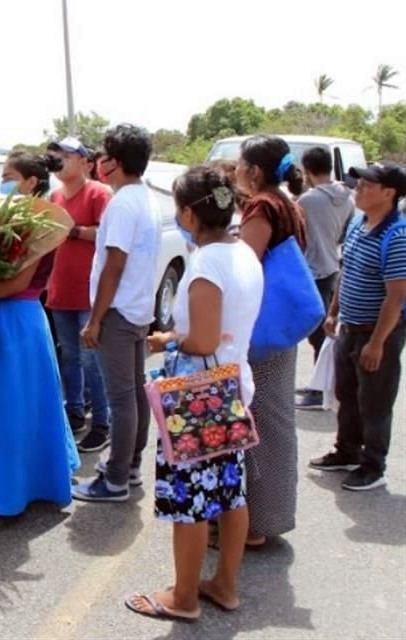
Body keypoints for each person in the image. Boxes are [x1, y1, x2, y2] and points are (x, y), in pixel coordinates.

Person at [127, 166, 263, 622]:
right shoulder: (242, 250)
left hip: (198, 395)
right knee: (230, 493)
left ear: (188, 212)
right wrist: (178, 336)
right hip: (231, 384)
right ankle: (224, 584)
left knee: (190, 500)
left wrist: (170, 340)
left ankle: (183, 598)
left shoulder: (205, 263)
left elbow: (202, 341)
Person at [0, 151, 80, 518]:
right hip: (20, 320)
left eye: (8, 175)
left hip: (13, 319)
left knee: (3, 407)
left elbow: (17, 281)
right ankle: (34, 486)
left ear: (30, 182)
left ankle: (2, 497)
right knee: (26, 405)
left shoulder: (38, 223)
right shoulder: (21, 220)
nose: (2, 181)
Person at [75, 124, 161, 502]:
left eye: (103, 155)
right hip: (137, 309)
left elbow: (115, 264)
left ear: (116, 162)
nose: (98, 162)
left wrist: (95, 319)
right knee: (134, 393)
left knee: (121, 398)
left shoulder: (123, 204)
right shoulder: (143, 198)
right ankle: (129, 466)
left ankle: (114, 480)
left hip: (119, 313)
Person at [310, 162, 406, 491]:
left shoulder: (397, 237)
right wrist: (334, 311)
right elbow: (345, 271)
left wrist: (377, 342)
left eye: (367, 185)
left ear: (389, 193)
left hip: (377, 332)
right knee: (346, 393)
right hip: (349, 326)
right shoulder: (357, 223)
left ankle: (373, 465)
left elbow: (394, 297)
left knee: (375, 401)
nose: (358, 189)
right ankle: (346, 450)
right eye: (359, 183)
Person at [234, 134, 307, 546]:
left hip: (262, 329)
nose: (238, 170)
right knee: (274, 420)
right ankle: (271, 516)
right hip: (281, 328)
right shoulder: (287, 204)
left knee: (260, 423)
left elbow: (248, 264)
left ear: (255, 170)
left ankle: (258, 525)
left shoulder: (263, 206)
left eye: (242, 163)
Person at [44, 136, 112, 447]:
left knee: (91, 360)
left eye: (65, 155)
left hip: (89, 294)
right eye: (54, 155)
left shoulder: (98, 193)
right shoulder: (53, 196)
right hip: (60, 292)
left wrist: (71, 230)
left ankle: (101, 421)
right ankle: (73, 413)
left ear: (85, 161)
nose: (58, 160)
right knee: (69, 357)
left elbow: (107, 234)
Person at [295, 146, 355, 410]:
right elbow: (345, 234)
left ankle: (320, 391)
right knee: (324, 329)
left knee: (318, 333)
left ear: (307, 170)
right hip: (331, 266)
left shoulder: (307, 201)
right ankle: (320, 384)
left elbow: (294, 234)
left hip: (311, 269)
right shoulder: (348, 197)